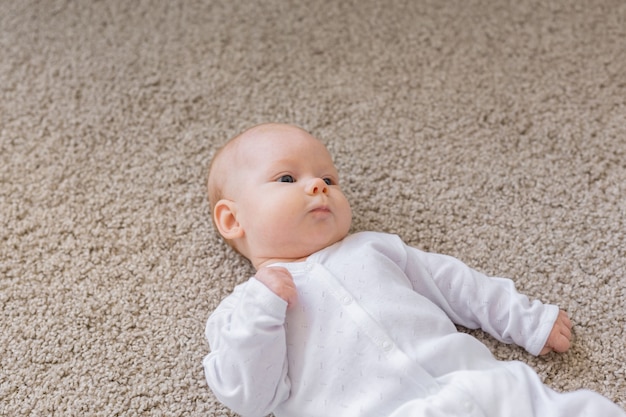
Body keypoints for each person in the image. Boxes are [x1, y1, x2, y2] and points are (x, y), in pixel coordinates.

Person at [203, 123, 625, 417]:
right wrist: (262, 309)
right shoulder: (239, 314)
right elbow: (250, 398)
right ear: (232, 220)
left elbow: (457, 285)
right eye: (286, 178)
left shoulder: (372, 249)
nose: (318, 186)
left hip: (480, 387)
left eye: (329, 178)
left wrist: (526, 319)